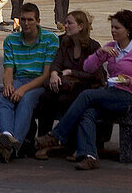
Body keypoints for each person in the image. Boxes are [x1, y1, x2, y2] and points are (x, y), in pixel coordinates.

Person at [36, 8, 132, 171]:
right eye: (112, 27)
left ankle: (56, 136)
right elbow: (88, 67)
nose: (113, 31)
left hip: (129, 96)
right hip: (111, 93)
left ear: (128, 30)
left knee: (86, 95)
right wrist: (100, 53)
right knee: (88, 112)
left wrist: (130, 81)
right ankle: (89, 156)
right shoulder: (111, 47)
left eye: (117, 28)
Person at [0, 2, 59, 163]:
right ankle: (6, 136)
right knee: (5, 95)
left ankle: (15, 145)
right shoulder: (11, 40)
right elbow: (8, 70)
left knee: (26, 99)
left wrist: (22, 90)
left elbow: (46, 75)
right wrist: (8, 84)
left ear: (38, 21)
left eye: (30, 20)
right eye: (23, 20)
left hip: (40, 83)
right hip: (19, 79)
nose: (26, 24)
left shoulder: (50, 39)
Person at [35, 10, 105, 156]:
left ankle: (70, 144)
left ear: (80, 26)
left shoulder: (93, 47)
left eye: (69, 23)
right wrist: (54, 74)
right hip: (66, 85)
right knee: (46, 97)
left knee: (67, 99)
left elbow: (97, 77)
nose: (65, 26)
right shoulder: (65, 43)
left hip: (85, 87)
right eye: (65, 22)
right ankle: (43, 140)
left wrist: (71, 72)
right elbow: (57, 62)